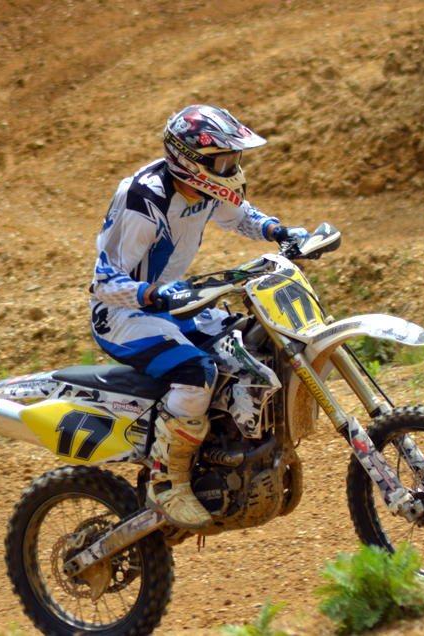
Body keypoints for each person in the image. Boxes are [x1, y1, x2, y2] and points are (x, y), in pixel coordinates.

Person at [89, 105, 309, 529]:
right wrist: (152, 293)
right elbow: (103, 282)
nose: (232, 168)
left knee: (253, 345)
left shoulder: (204, 190)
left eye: (233, 159)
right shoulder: (144, 199)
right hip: (122, 314)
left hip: (176, 305)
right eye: (223, 160)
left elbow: (241, 216)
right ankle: (167, 482)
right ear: (191, 161)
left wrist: (279, 232)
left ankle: (229, 456)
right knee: (197, 373)